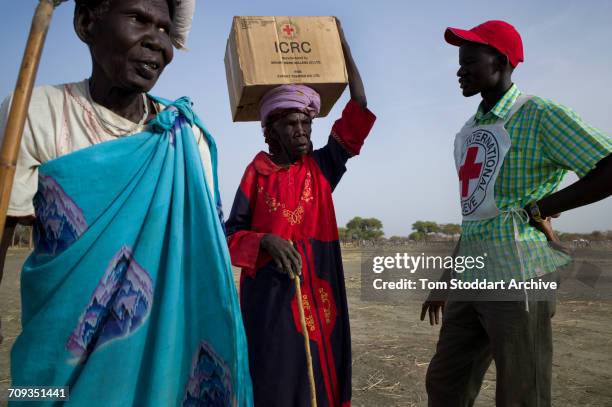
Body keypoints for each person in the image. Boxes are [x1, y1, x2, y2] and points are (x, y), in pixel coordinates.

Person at [0, 1, 252, 405]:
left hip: (166, 358)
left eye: (166, 30)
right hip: (57, 358)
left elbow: (204, 259)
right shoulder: (35, 113)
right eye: (138, 19)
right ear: (86, 23)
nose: (158, 43)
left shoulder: (187, 138)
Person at [421, 20, 612, 406]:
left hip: (520, 275)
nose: (460, 70)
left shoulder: (538, 114)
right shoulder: (469, 130)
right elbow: (478, 213)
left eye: (470, 60)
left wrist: (544, 207)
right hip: (471, 278)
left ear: (502, 61)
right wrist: (445, 279)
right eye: (459, 62)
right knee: (445, 383)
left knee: (522, 392)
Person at [225, 20, 376, 407]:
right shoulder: (255, 174)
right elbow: (230, 236)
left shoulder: (322, 167)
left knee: (321, 378)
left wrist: (342, 47)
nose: (301, 131)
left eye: (306, 122)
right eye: (290, 124)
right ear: (270, 131)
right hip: (270, 298)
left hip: (319, 289)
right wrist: (266, 240)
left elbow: (358, 107)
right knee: (275, 377)